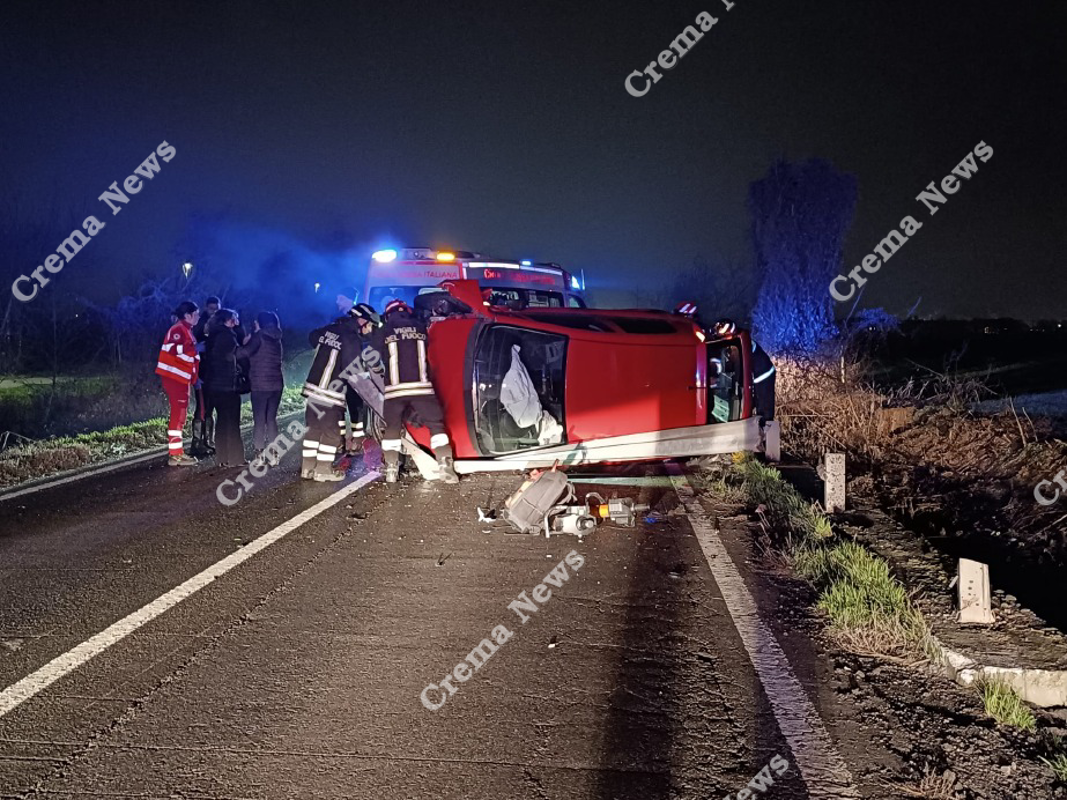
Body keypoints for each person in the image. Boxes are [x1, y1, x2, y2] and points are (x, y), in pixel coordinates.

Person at [369, 299, 459, 484]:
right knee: (436, 426)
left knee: (392, 428)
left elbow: (371, 358)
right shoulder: (420, 327)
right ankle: (445, 466)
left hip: (395, 391)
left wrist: (380, 371)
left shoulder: (383, 331)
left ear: (388, 315)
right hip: (422, 388)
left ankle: (391, 469)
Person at [300, 308, 365, 481]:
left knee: (313, 430)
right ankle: (323, 470)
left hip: (313, 389)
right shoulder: (351, 337)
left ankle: (307, 468)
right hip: (330, 392)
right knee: (332, 434)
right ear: (361, 321)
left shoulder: (328, 330)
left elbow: (313, 337)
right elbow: (354, 368)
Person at [155, 301, 201, 466]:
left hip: (180, 378)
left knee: (180, 415)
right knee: (178, 415)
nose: (198, 317)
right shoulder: (178, 330)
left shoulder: (185, 330)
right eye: (196, 314)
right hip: (175, 378)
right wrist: (195, 350)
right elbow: (174, 350)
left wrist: (194, 377)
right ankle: (175, 455)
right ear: (187, 315)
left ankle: (177, 453)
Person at [201, 309, 247, 467]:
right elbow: (234, 356)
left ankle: (222, 458)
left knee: (221, 421)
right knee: (232, 422)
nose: (237, 320)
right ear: (228, 320)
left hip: (213, 384)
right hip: (227, 384)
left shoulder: (213, 335)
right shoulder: (227, 336)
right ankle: (236, 458)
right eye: (235, 318)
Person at [238, 311, 284, 465]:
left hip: (260, 384)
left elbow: (243, 353)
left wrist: (242, 344)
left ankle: (259, 455)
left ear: (260, 322)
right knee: (271, 419)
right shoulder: (277, 338)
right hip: (276, 384)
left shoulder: (259, 337)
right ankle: (274, 455)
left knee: (259, 420)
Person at [713, 319, 776, 423]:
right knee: (753, 400)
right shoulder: (738, 339)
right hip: (756, 372)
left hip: (764, 374)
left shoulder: (742, 343)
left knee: (764, 403)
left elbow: (738, 362)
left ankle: (765, 425)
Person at [191, 295, 221, 452]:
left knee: (210, 408)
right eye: (211, 309)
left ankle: (208, 440)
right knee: (202, 407)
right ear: (206, 308)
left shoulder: (221, 322)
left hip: (215, 373)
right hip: (202, 373)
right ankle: (197, 442)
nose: (214, 312)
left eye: (216, 309)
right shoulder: (199, 324)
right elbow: (192, 348)